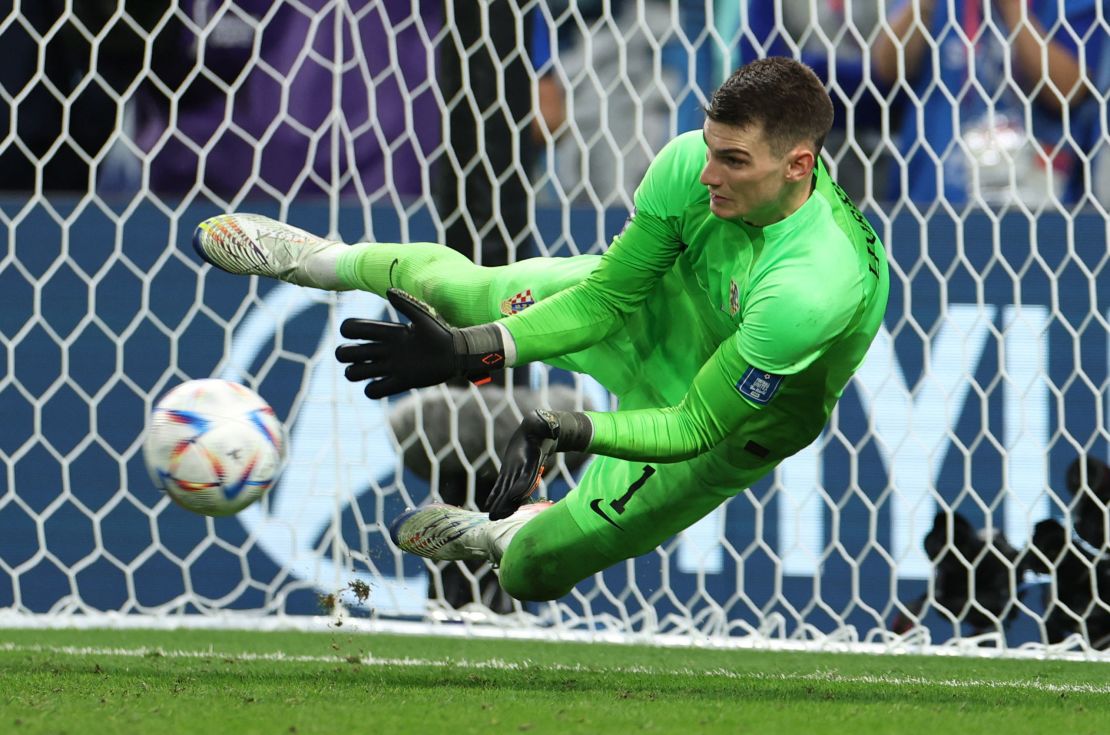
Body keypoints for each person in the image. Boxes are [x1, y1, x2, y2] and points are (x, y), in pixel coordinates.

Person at [192, 57, 890, 602]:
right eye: (710, 148)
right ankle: (317, 258)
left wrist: (566, 427)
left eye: (733, 161)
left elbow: (695, 425)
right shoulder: (691, 166)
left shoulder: (813, 285)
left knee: (533, 570)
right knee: (466, 293)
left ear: (799, 165)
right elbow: (605, 301)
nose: (707, 172)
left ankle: (500, 532)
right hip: (662, 313)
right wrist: (473, 347)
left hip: (731, 422)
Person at [872, 0, 1107, 206]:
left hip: (1035, 202)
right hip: (931, 195)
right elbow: (888, 69)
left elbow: (1068, 91)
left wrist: (1013, 10)